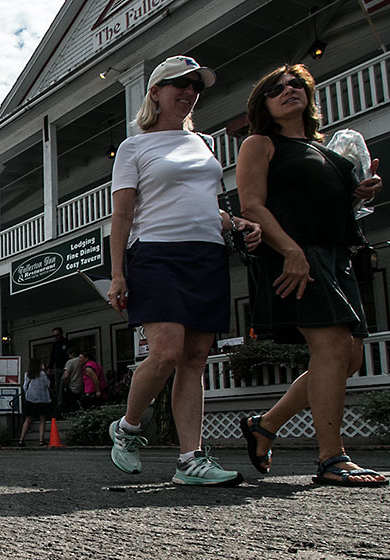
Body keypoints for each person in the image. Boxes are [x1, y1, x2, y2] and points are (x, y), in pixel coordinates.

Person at [107, 56, 262, 486]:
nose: (190, 91)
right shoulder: (133, 147)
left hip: (207, 254)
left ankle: (189, 460)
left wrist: (239, 224)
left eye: (196, 85)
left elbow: (209, 204)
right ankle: (127, 428)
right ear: (155, 92)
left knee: (194, 359)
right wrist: (118, 275)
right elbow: (122, 216)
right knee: (167, 352)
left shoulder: (204, 142)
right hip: (155, 253)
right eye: (179, 83)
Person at [236, 63, 387, 487]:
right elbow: (251, 205)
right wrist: (292, 252)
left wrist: (358, 190)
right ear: (263, 103)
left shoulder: (327, 151)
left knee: (349, 357)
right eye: (276, 88)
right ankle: (332, 458)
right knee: (333, 346)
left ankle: (264, 425)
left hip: (336, 255)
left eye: (296, 84)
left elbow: (329, 204)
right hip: (295, 254)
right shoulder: (261, 143)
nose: (288, 90)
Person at [18, 357, 52, 446]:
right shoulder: (42, 374)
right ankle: (41, 440)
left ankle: (21, 439)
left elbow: (25, 387)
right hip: (42, 399)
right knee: (42, 420)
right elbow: (47, 384)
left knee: (28, 419)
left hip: (30, 399)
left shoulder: (27, 374)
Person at [47, 327, 71, 409]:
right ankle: (59, 403)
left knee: (62, 386)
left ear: (61, 334)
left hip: (65, 367)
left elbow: (70, 355)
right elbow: (52, 357)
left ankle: (62, 404)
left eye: (57, 335)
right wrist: (50, 368)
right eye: (54, 336)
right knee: (57, 386)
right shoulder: (55, 344)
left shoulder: (67, 343)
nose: (55, 337)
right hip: (57, 367)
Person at [60, 348, 84, 413]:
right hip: (82, 386)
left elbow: (66, 375)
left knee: (71, 404)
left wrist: (65, 384)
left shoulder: (70, 362)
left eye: (69, 355)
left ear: (73, 354)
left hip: (72, 386)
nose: (69, 357)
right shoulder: (82, 361)